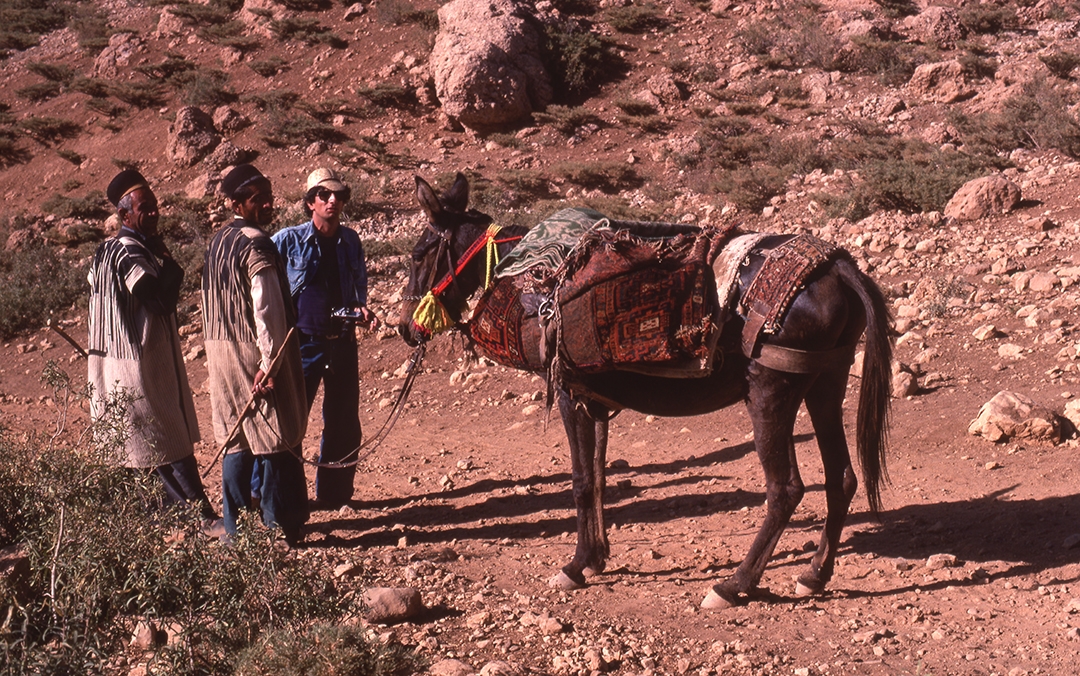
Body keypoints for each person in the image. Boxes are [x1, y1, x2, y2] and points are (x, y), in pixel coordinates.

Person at [86, 169, 216, 521]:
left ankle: (152, 517)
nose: (155, 212)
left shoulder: (104, 251)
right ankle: (197, 515)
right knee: (165, 435)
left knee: (134, 443)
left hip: (108, 362)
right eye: (146, 207)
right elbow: (160, 302)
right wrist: (171, 263)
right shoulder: (130, 250)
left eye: (156, 204)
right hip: (137, 364)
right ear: (125, 215)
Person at [202, 164, 309, 544]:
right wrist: (270, 363)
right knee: (274, 436)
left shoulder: (217, 241)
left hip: (220, 354)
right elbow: (266, 311)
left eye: (267, 194)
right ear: (235, 203)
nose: (266, 203)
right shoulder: (257, 243)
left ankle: (235, 530)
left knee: (236, 439)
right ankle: (279, 526)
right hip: (253, 353)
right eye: (255, 198)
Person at [272, 168, 378, 510]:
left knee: (344, 422)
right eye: (324, 195)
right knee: (289, 421)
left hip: (342, 342)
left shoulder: (351, 241)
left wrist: (361, 311)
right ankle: (275, 497)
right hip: (302, 343)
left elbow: (358, 287)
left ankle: (334, 496)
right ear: (309, 203)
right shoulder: (287, 240)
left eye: (339, 196)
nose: (333, 201)